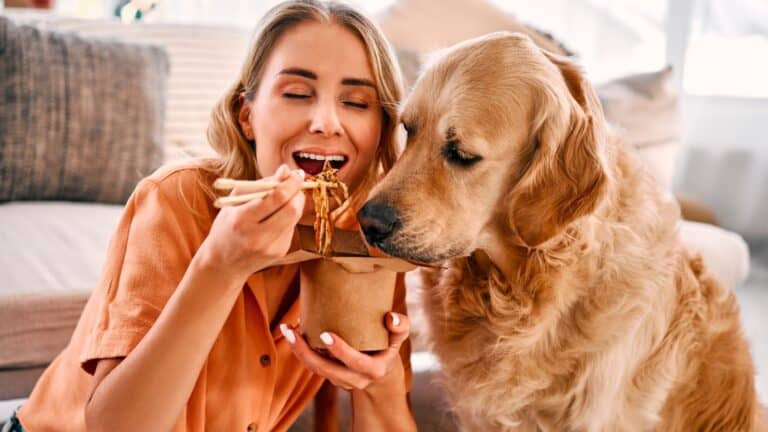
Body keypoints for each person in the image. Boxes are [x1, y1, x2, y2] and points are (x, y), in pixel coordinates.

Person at [12, 1, 416, 431]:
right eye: (297, 94)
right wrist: (219, 267)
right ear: (247, 116)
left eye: (357, 102)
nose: (325, 122)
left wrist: (379, 381)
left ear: (380, 130)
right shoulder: (177, 199)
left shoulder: (368, 233)